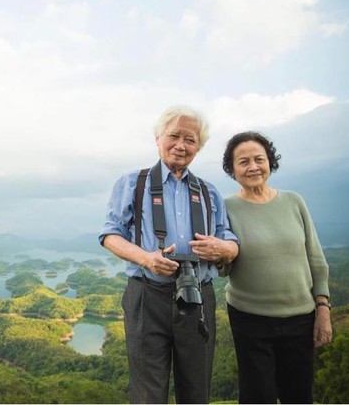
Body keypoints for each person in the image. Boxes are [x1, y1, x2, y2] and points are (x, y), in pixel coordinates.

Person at [99, 105, 239, 404]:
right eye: (173, 135)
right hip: (147, 295)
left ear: (198, 147)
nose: (181, 145)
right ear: (157, 138)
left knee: (196, 389)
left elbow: (228, 239)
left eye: (190, 139)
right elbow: (110, 235)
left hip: (198, 294)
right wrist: (146, 258)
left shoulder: (209, 191)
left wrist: (225, 248)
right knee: (148, 392)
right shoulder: (132, 184)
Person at [220, 131, 333, 404]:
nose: (253, 167)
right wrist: (219, 254)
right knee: (258, 395)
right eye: (243, 161)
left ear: (270, 162)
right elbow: (223, 269)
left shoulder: (294, 201)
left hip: (300, 316)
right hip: (249, 318)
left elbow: (315, 258)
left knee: (299, 394)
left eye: (259, 159)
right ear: (232, 169)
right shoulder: (225, 208)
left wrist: (323, 307)